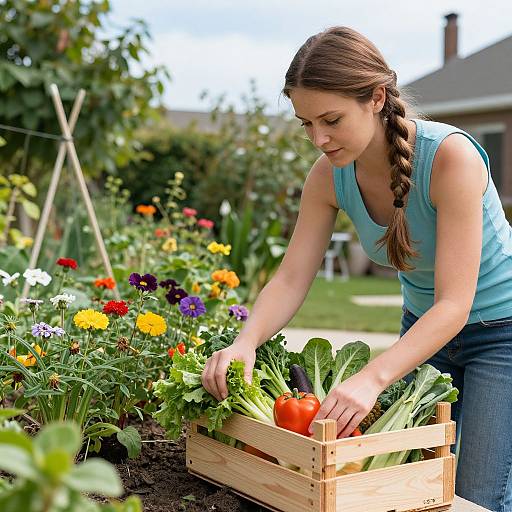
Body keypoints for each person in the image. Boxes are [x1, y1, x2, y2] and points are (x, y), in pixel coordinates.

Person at [201, 26, 512, 511]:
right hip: (423, 331)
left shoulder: (451, 159)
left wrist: (372, 377)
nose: (318, 139)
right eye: (306, 124)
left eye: (330, 120)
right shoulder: (329, 175)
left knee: (477, 496)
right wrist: (245, 342)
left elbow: (455, 303)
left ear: (376, 98)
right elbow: (290, 278)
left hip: (502, 335)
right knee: (403, 483)